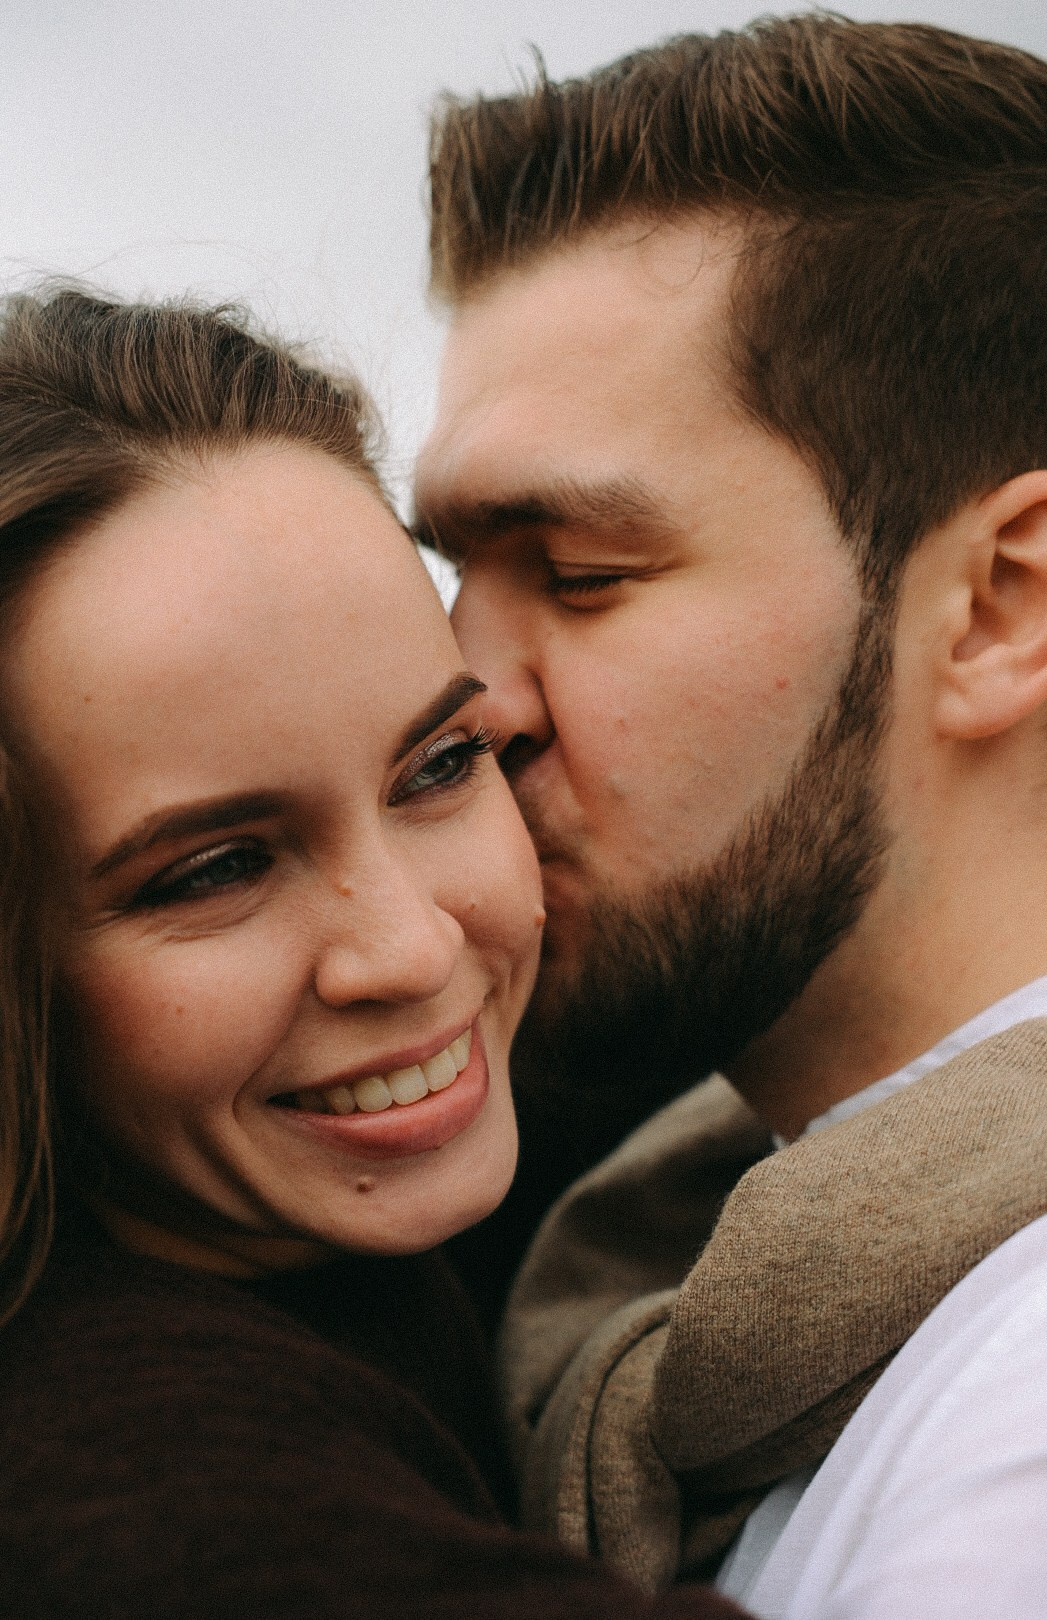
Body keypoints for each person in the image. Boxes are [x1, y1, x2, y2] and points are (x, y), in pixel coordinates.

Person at [414, 12, 1047, 1616]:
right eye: (453, 577)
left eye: (578, 574)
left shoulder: (1041, 1403)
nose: (462, 699)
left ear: (1000, 605)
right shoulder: (661, 1275)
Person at [0, 287, 753, 1619]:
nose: (410, 947)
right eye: (215, 869)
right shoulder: (153, 1506)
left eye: (439, 766)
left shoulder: (352, 1197)